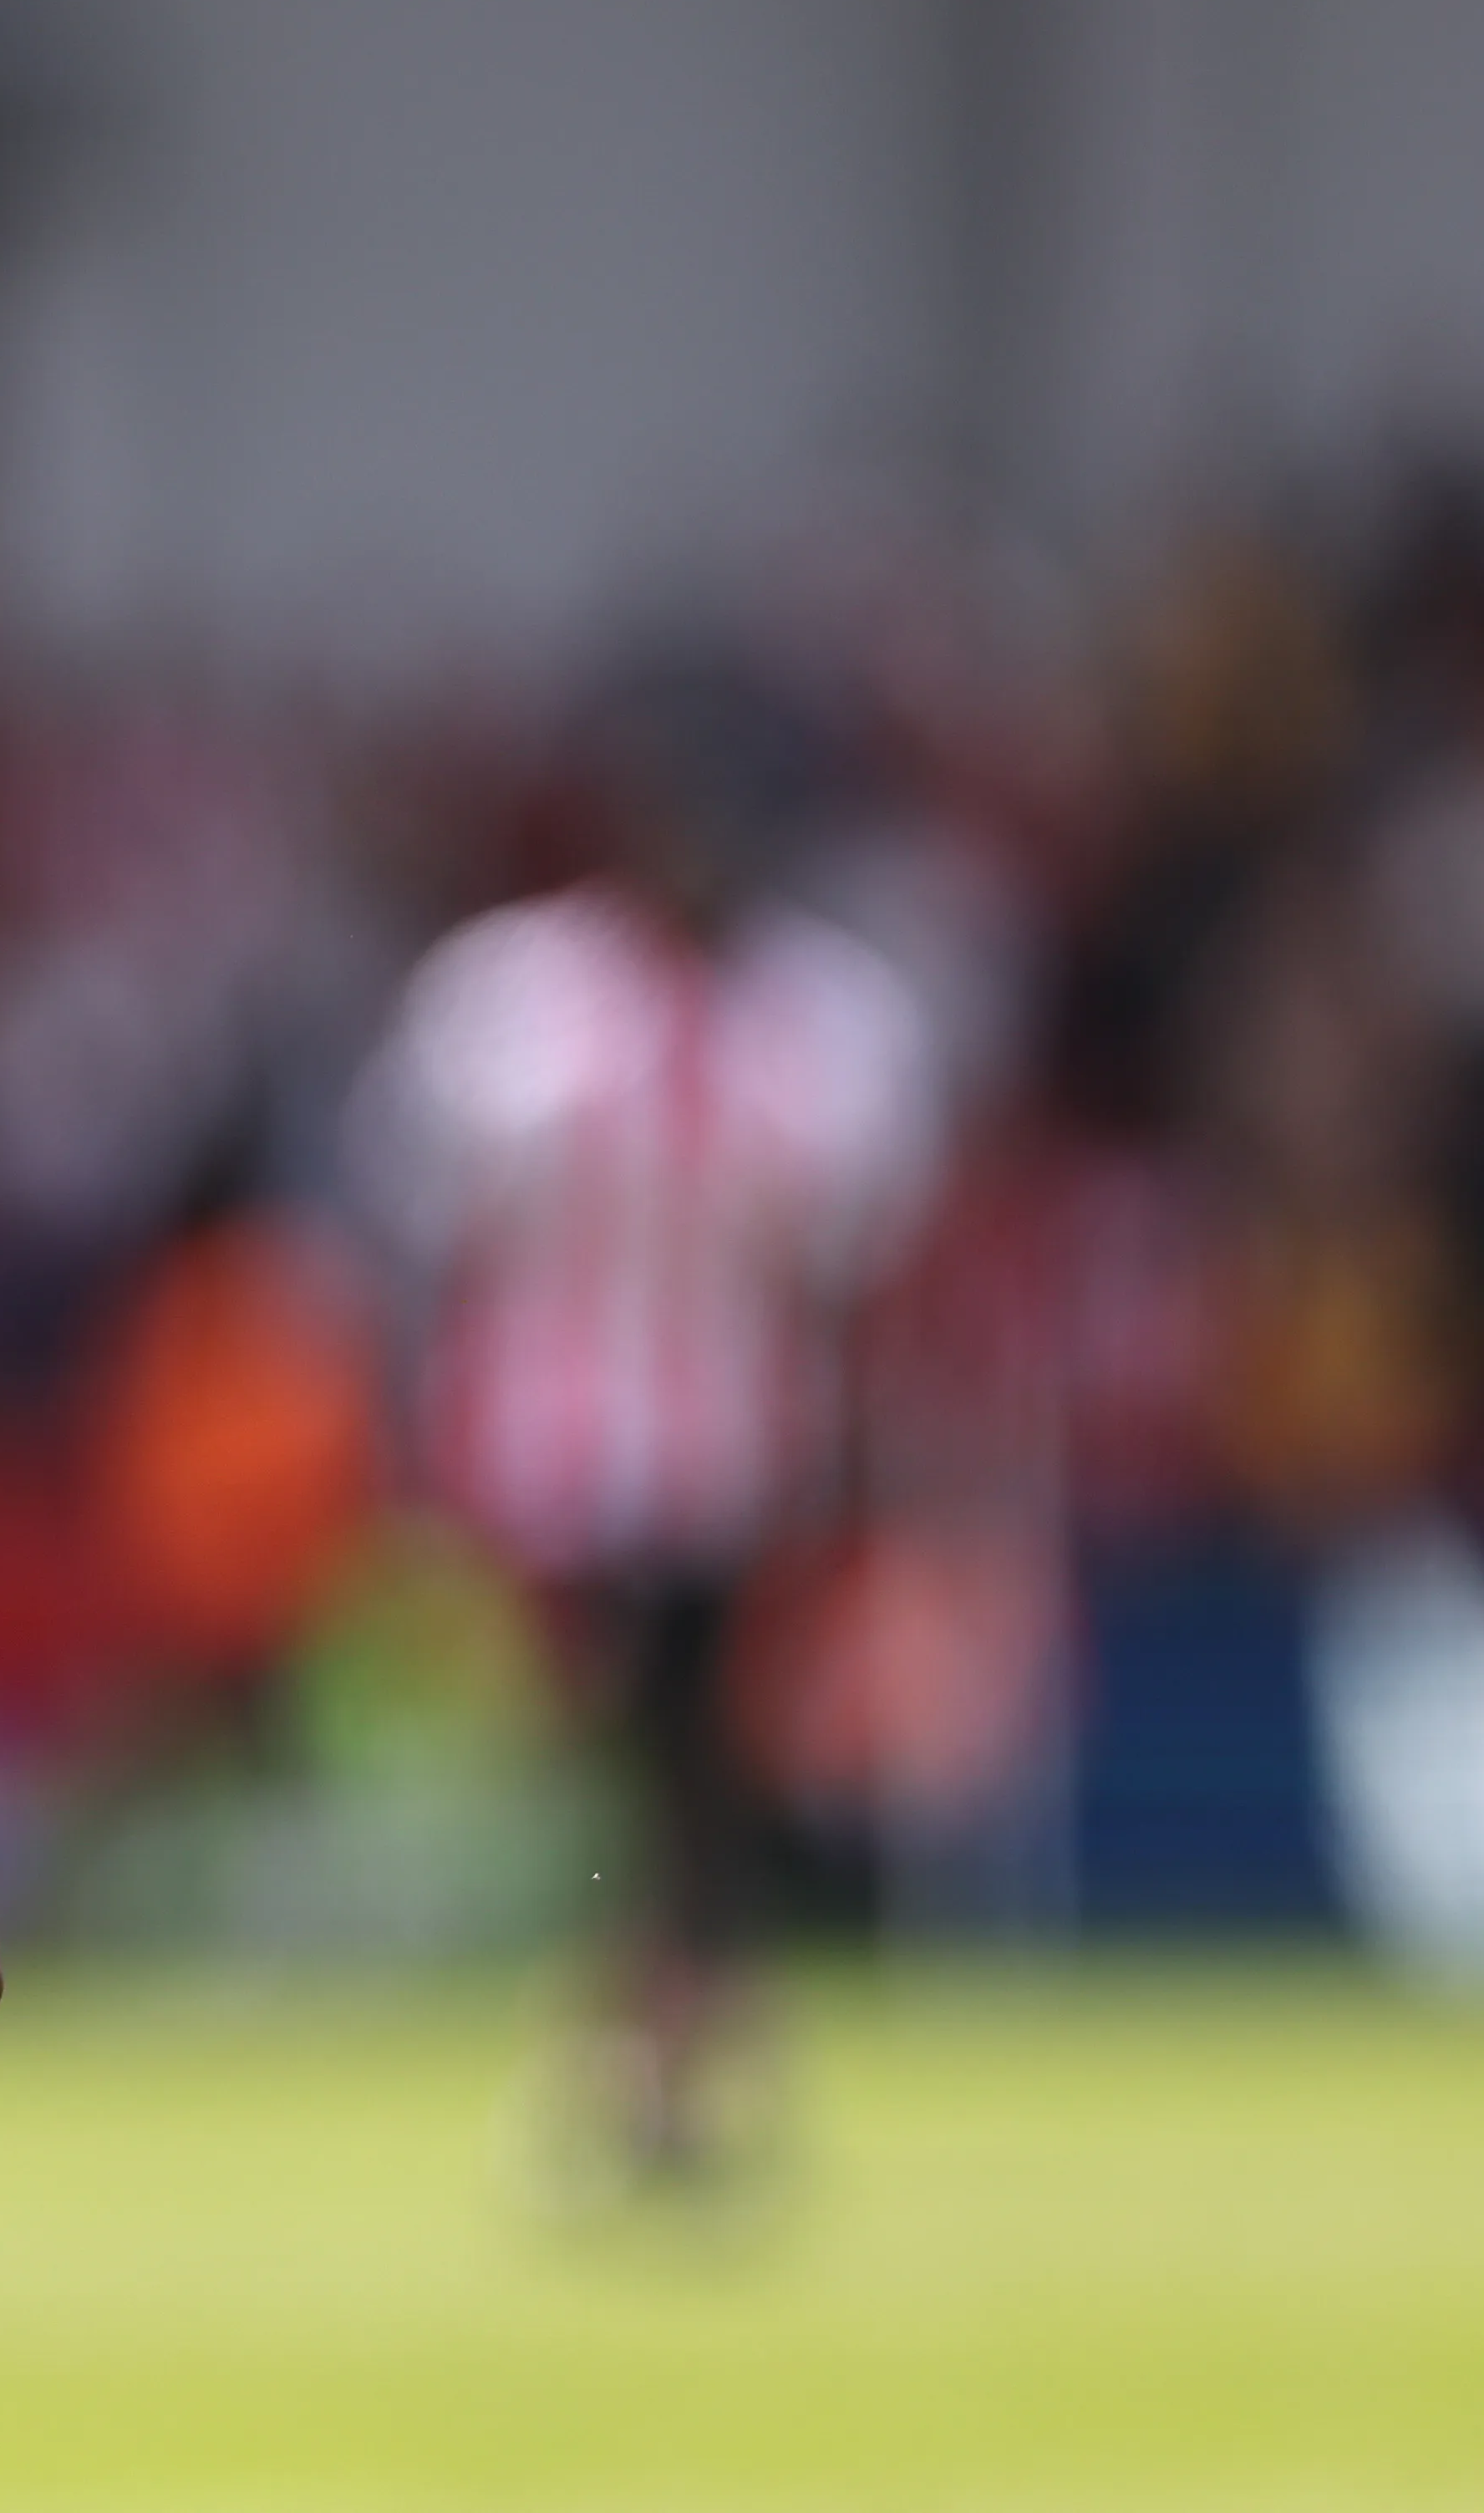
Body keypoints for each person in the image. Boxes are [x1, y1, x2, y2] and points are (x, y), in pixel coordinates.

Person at [357, 669, 939, 2182]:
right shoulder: (522, 1004)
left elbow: (861, 1251)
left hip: (733, 1460)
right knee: (615, 1769)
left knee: (695, 1767)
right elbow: (425, 1220)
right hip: (548, 1463)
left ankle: (659, 2050)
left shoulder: (816, 1020)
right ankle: (647, 2043)